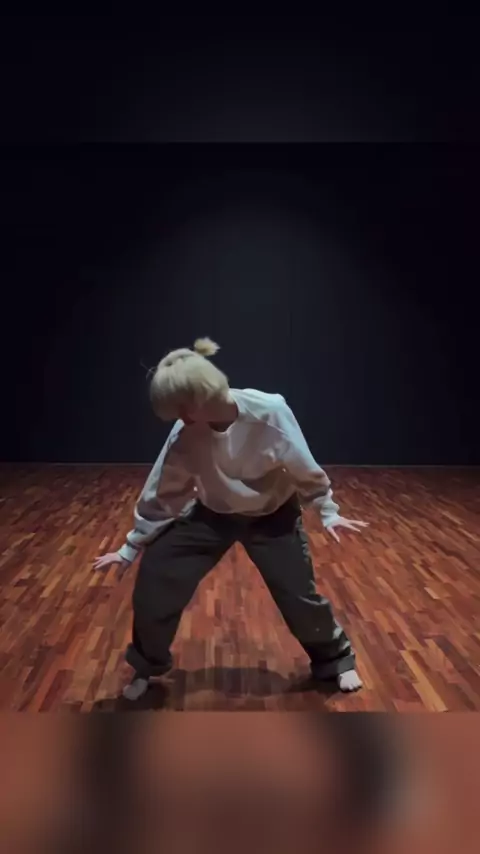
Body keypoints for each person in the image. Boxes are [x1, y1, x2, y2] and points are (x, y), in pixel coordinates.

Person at [94, 338, 368, 701]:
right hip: (212, 514)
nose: (178, 418)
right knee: (156, 580)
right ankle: (146, 666)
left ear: (197, 400)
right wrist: (131, 547)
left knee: (298, 595)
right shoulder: (186, 434)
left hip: (272, 516)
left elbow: (303, 465)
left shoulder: (270, 412)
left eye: (180, 409)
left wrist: (327, 509)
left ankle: (335, 660)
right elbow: (164, 491)